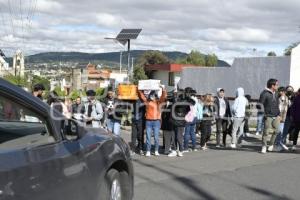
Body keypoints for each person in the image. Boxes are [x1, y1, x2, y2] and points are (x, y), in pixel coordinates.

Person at [138, 85, 166, 157]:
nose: (152, 96)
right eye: (151, 95)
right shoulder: (147, 102)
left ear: (155, 96)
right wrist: (139, 89)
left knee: (156, 137)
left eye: (154, 95)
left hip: (156, 121)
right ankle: (148, 151)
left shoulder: (158, 102)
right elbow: (141, 96)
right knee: (148, 137)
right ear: (150, 95)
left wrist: (163, 89)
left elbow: (163, 97)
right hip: (148, 121)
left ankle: (156, 150)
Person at [259, 79, 280, 153]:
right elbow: (260, 105)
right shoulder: (264, 93)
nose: (278, 86)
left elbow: (277, 103)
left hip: (276, 115)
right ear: (272, 85)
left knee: (277, 131)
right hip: (268, 115)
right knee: (266, 132)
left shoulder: (276, 93)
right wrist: (264, 114)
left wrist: (279, 113)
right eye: (277, 85)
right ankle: (264, 146)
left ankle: (271, 144)